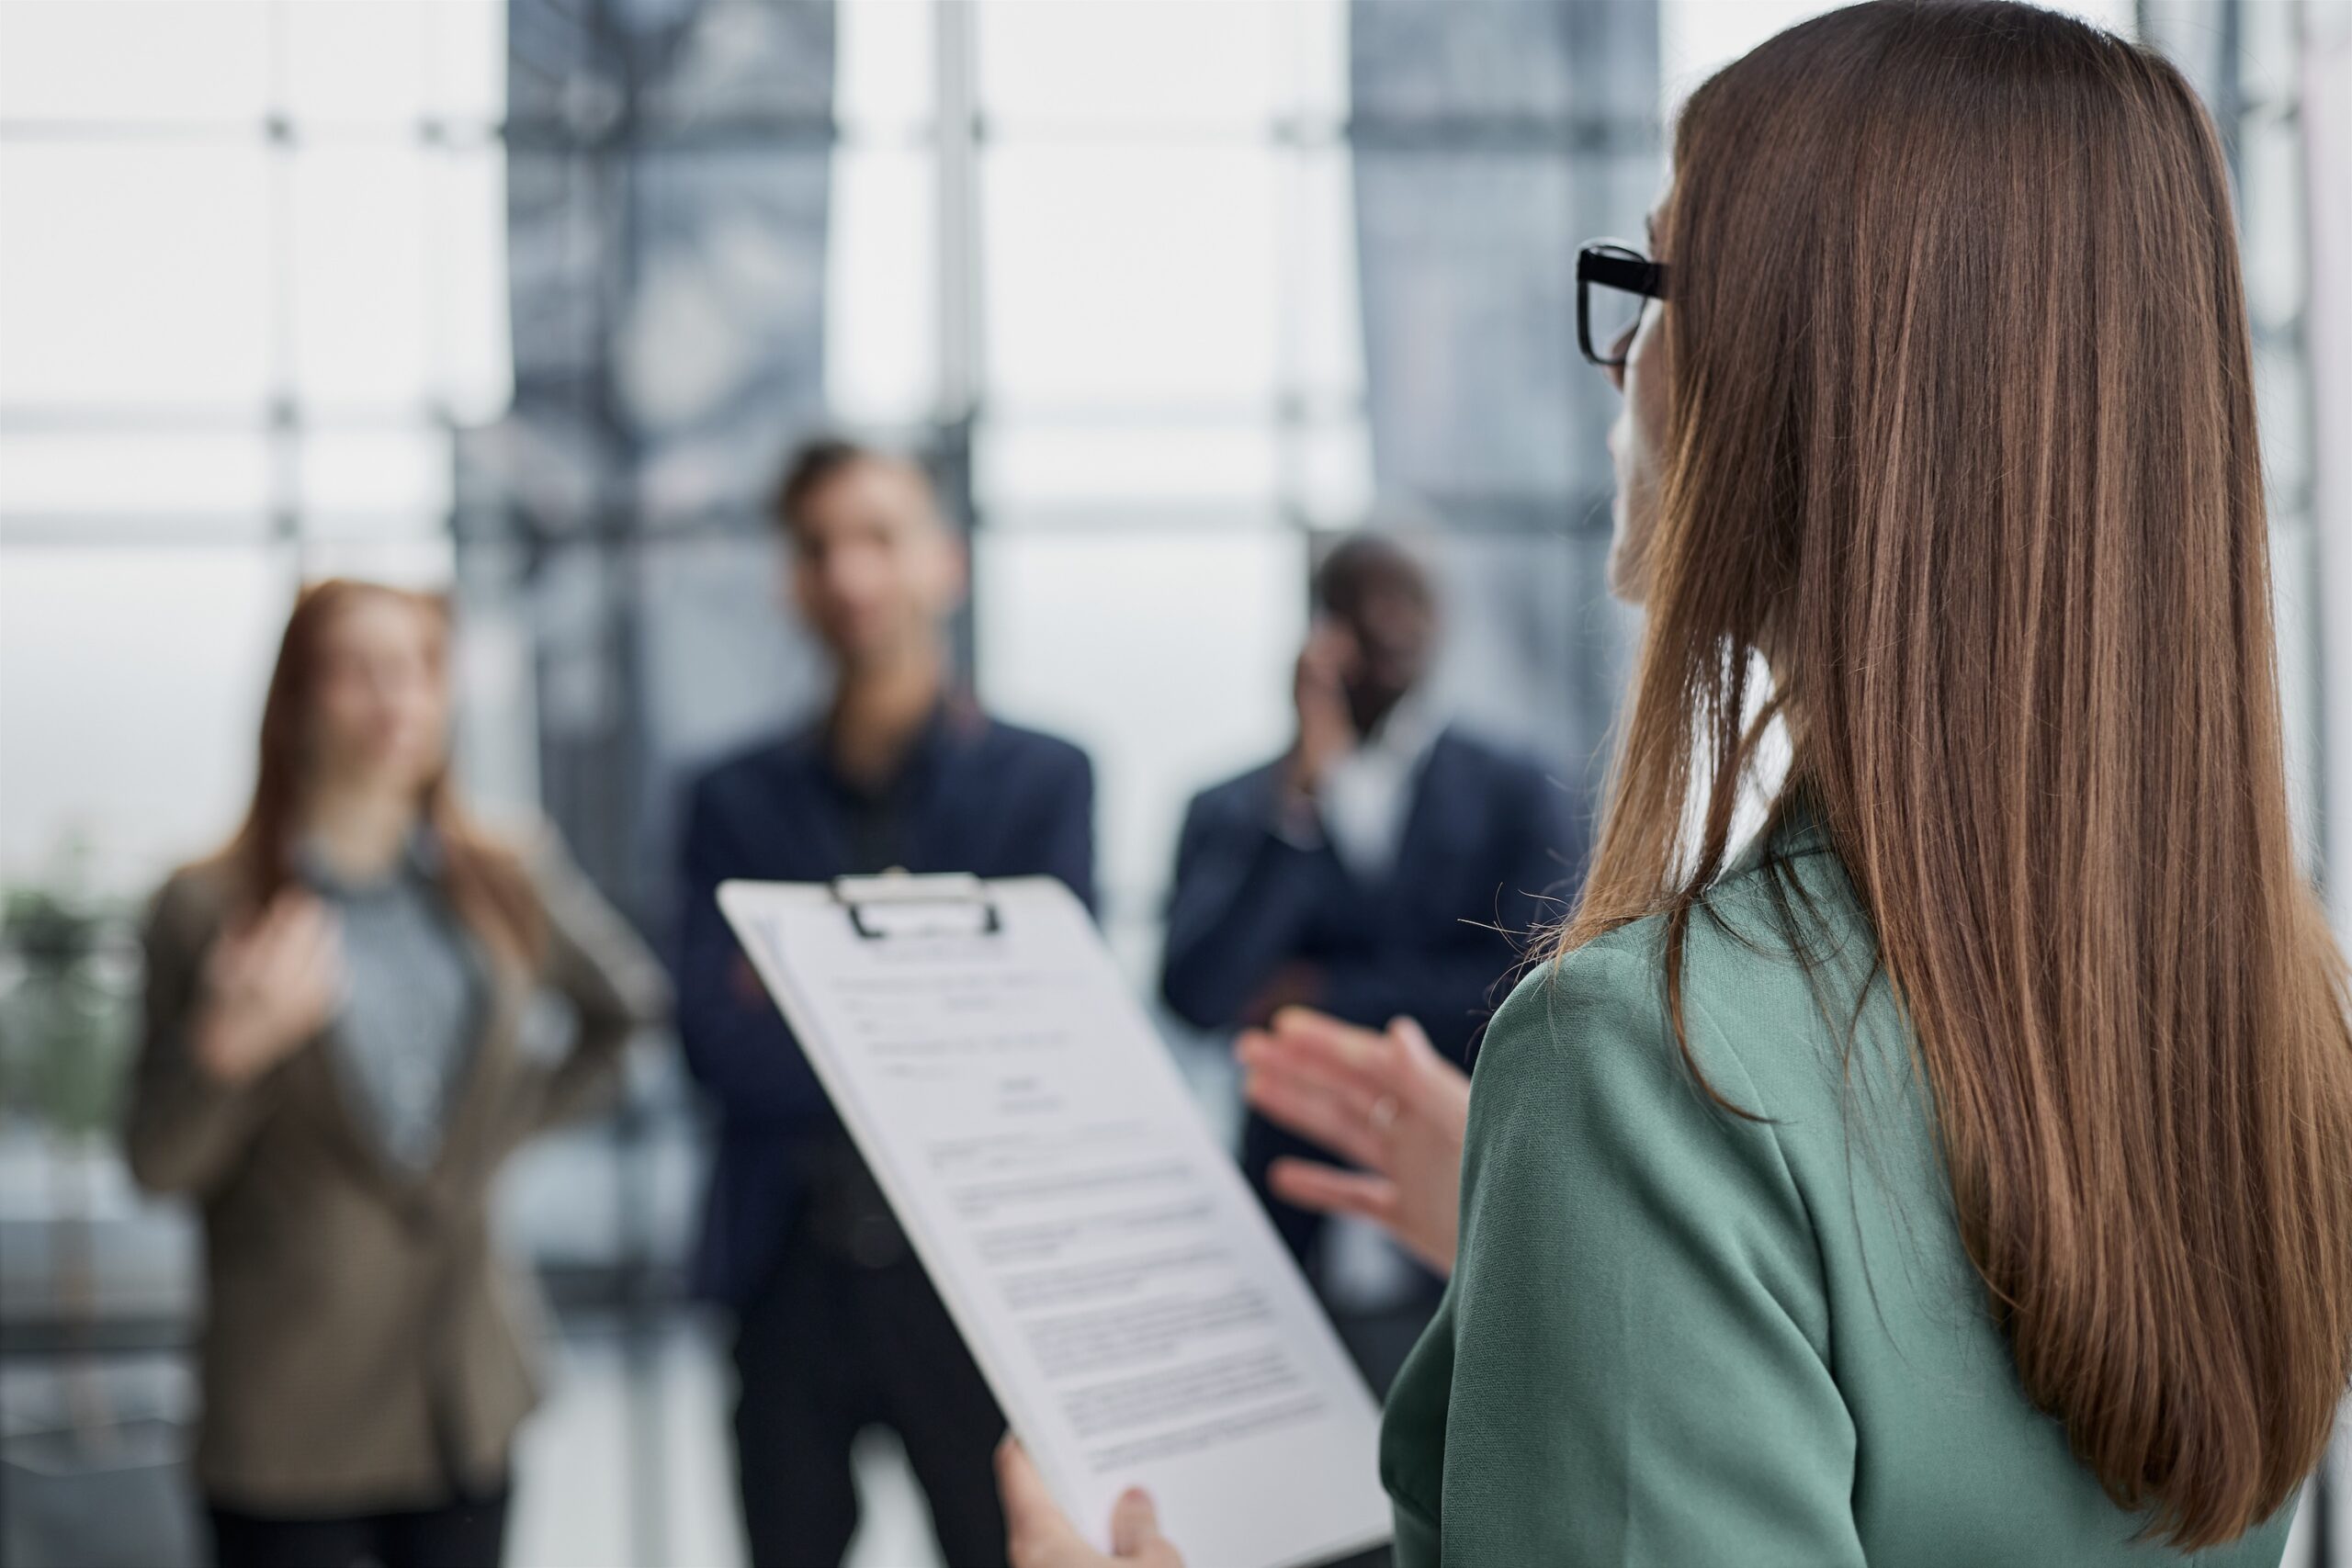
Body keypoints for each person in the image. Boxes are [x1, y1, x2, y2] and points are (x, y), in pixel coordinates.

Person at [996, 4, 2352, 1563]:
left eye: (1655, 286)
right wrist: (1566, 1264)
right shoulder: (2278, 1020)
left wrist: (1611, 1183)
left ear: (1814, 380)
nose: (1626, 361)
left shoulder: (1646, 1062)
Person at [126, 580, 667, 1568]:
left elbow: (626, 1018)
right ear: (295, 699)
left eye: (419, 668)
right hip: (291, 1409)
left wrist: (504, 1131)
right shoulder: (205, 908)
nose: (396, 697)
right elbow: (158, 1165)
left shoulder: (506, 874)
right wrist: (226, 1052)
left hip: (462, 1389)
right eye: (357, 669)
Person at [674, 437, 1095, 1568]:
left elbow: (1037, 1048)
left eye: (878, 538)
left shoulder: (1044, 782)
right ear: (790, 581)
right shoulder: (727, 799)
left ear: (943, 563)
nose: (850, 575)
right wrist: (922, 1003)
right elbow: (712, 1047)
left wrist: (807, 989)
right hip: (784, 1278)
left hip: (976, 1289)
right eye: (818, 548)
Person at [1159, 532, 1580, 1306]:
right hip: (1286, 1231)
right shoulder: (1235, 809)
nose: (1388, 622)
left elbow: (1533, 990)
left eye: (1407, 600)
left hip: (1468, 1219)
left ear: (1441, 622)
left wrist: (1321, 997)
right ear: (1322, 630)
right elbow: (1197, 995)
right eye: (1361, 601)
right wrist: (1301, 801)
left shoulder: (1522, 790)